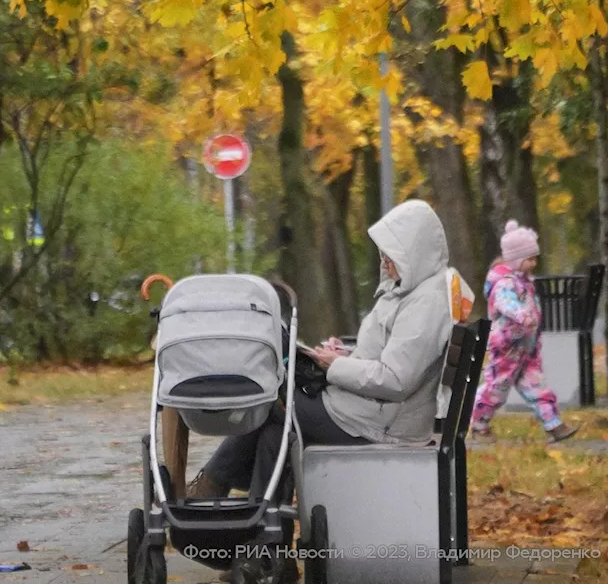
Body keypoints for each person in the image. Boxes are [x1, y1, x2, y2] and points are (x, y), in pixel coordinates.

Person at [186, 199, 455, 499]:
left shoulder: (425, 302)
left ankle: (212, 483)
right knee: (276, 436)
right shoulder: (409, 292)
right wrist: (347, 355)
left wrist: (333, 366)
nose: (385, 262)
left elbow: (395, 379)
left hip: (380, 424)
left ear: (415, 254)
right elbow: (391, 358)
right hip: (371, 411)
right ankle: (263, 533)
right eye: (384, 254)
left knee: (271, 403)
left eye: (392, 255)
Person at [468, 220, 580, 445]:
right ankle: (478, 424)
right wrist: (522, 316)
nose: (534, 263)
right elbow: (505, 304)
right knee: (496, 388)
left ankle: (553, 425)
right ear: (516, 260)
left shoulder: (525, 282)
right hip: (507, 347)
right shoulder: (505, 284)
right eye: (529, 259)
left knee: (537, 386)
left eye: (534, 258)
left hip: (526, 348)